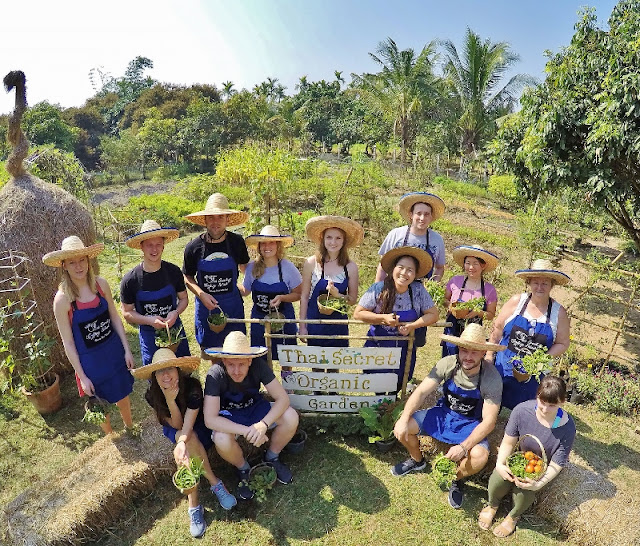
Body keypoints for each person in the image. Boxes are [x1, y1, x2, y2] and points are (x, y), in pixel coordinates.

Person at [391, 324, 504, 510]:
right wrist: (404, 418)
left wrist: (463, 447)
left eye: (474, 352)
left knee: (480, 457)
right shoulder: (448, 363)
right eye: (464, 350)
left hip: (470, 423)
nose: (468, 356)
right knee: (402, 429)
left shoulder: (491, 378)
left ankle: (456, 477)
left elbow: (489, 421)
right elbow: (420, 393)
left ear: (484, 352)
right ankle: (417, 460)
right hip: (443, 415)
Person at [132, 349, 237, 538]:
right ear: (154, 376)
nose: (165, 375)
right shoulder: (152, 395)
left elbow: (187, 426)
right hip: (176, 427)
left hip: (197, 425)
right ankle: (215, 484)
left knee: (189, 438)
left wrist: (180, 443)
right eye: (159, 371)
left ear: (178, 369)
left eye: (170, 369)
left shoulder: (194, 387)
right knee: (185, 437)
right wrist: (170, 401)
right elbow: (176, 425)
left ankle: (194, 505)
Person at [43, 236, 134, 434]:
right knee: (100, 405)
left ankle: (130, 427)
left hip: (113, 352)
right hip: (90, 363)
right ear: (64, 265)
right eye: (72, 262)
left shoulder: (101, 285)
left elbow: (115, 318)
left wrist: (127, 349)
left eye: (82, 260)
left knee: (122, 396)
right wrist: (82, 377)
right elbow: (67, 342)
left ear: (88, 260)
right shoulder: (62, 300)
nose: (78, 266)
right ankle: (110, 439)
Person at [203, 332, 299, 500]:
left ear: (249, 360)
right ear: (224, 361)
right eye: (231, 364)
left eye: (241, 364)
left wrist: (263, 424)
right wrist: (248, 430)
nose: (236, 371)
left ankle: (272, 456)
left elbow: (282, 398)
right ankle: (243, 468)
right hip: (230, 416)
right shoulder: (215, 374)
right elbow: (210, 419)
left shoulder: (258, 365)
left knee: (291, 417)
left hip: (257, 409)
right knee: (221, 439)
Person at [478, 375, 576, 538]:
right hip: (521, 459)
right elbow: (508, 442)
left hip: (540, 468)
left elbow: (557, 463)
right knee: (498, 479)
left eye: (552, 405)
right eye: (542, 402)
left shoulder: (567, 428)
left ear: (562, 402)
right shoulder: (522, 411)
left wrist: (539, 483)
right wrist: (500, 464)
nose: (545, 409)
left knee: (525, 493)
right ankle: (492, 505)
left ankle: (513, 516)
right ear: (537, 396)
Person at [487, 259, 571, 410]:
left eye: (545, 283)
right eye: (535, 282)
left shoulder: (558, 313)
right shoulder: (516, 302)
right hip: (503, 366)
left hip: (534, 373)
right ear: (529, 282)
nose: (539, 287)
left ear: (552, 285)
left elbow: (563, 343)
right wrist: (489, 355)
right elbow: (497, 329)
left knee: (525, 410)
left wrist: (544, 358)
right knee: (492, 401)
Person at [354, 247, 439, 391]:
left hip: (404, 351)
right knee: (378, 385)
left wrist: (412, 326)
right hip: (378, 349)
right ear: (393, 268)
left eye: (410, 270)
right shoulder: (378, 288)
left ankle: (391, 409)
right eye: (401, 267)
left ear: (415, 274)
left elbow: (433, 314)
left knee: (398, 384)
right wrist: (383, 318)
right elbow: (358, 313)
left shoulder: (418, 291)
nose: (404, 273)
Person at [182, 193, 250, 359]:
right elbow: (187, 277)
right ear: (205, 220)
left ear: (227, 219)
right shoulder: (194, 247)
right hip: (207, 309)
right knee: (214, 356)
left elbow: (245, 267)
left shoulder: (236, 242)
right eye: (211, 217)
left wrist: (246, 286)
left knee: (236, 353)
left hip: (232, 305)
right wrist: (201, 294)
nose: (215, 222)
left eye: (220, 217)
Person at [121, 220, 190, 366]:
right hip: (149, 336)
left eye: (158, 244)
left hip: (176, 332)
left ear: (163, 246)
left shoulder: (173, 271)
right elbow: (127, 313)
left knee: (183, 371)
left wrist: (175, 313)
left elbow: (184, 299)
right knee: (155, 375)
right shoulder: (130, 280)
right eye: (149, 245)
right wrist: (149, 320)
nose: (154, 249)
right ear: (141, 246)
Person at [299, 215, 363, 347]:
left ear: (344, 241)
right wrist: (302, 326)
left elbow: (352, 300)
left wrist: (337, 294)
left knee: (335, 364)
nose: (333, 242)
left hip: (337, 325)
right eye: (329, 237)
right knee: (315, 364)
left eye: (338, 238)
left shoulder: (350, 267)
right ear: (322, 239)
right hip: (315, 323)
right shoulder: (311, 263)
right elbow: (304, 297)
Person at [240, 225, 302, 362]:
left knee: (286, 360)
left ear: (278, 245)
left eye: (271, 242)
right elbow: (245, 291)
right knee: (260, 360)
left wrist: (282, 297)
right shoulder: (252, 268)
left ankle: (286, 382)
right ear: (259, 246)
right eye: (263, 243)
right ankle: (266, 383)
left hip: (284, 320)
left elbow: (299, 293)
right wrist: (229, 283)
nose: (267, 246)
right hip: (259, 321)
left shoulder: (287, 267)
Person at [442, 245, 499, 357]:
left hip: (474, 335)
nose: (471, 267)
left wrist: (478, 312)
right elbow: (444, 300)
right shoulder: (455, 281)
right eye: (468, 263)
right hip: (452, 330)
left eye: (475, 263)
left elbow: (491, 315)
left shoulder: (489, 289)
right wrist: (451, 306)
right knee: (449, 360)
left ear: (483, 265)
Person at [375, 192, 446, 282]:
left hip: (421, 290)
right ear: (411, 215)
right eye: (418, 213)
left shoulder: (437, 239)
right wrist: (378, 289)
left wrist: (431, 287)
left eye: (427, 214)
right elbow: (382, 265)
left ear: (431, 217)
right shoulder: (396, 234)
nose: (422, 218)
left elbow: (440, 268)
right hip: (394, 287)